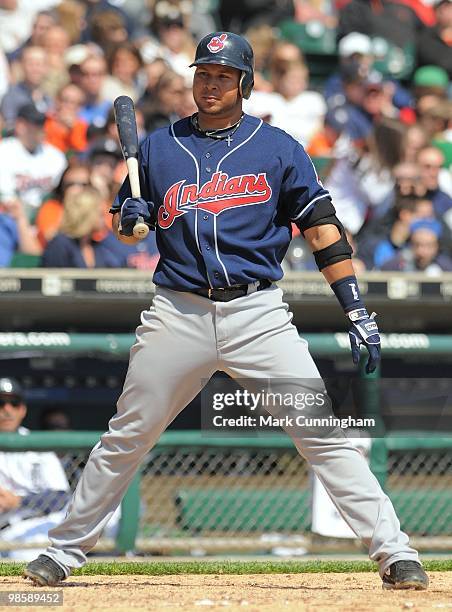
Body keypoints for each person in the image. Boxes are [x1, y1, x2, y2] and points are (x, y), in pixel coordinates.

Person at [24, 31, 428, 591]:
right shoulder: (159, 149)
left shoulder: (278, 147)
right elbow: (129, 226)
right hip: (178, 312)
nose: (210, 84)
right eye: (203, 73)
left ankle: (394, 551)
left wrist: (355, 308)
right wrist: (131, 215)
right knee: (128, 434)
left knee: (321, 432)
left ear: (245, 83)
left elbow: (323, 231)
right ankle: (64, 551)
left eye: (223, 75)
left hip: (257, 314)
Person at [0, 377, 70, 561]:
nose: (6, 410)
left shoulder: (37, 445)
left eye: (13, 403)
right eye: (0, 403)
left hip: (39, 524)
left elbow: (61, 497)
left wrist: (19, 502)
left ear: (22, 409)